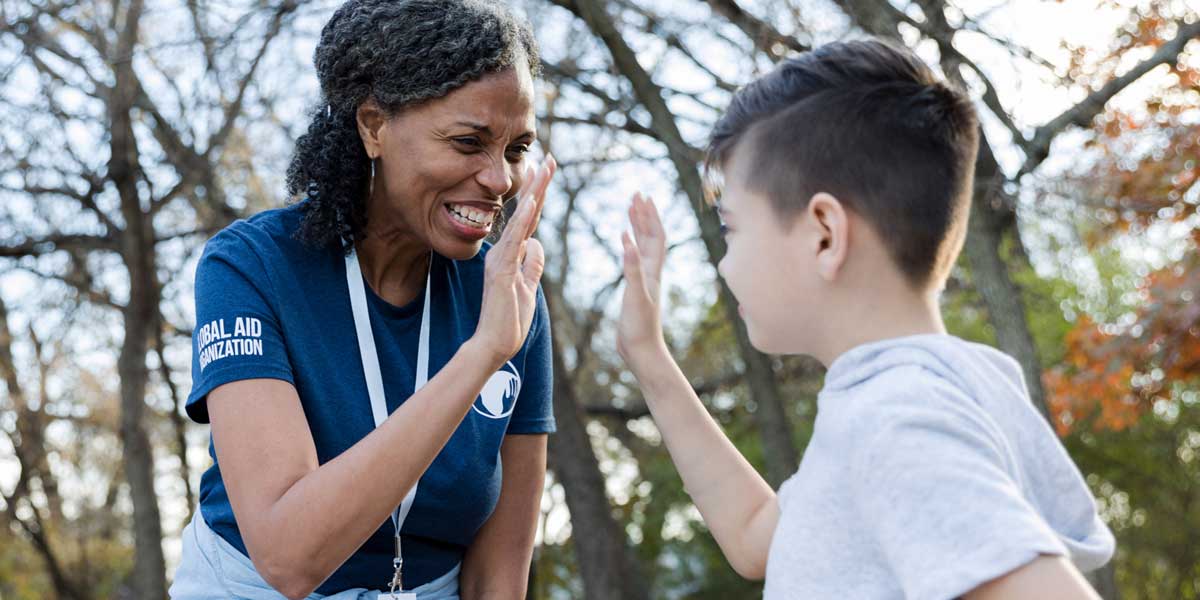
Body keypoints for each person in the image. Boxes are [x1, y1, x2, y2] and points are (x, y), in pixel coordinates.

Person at [616, 38, 1115, 599]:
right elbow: (757, 537)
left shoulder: (895, 418)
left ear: (824, 233)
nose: (724, 264)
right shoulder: (926, 397)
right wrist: (648, 355)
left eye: (732, 230)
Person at [169, 1, 557, 598]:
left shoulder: (510, 298)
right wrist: (480, 355)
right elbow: (288, 555)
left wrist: (501, 338)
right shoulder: (249, 267)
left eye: (514, 149)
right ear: (374, 126)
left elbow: (496, 580)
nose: (500, 180)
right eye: (467, 142)